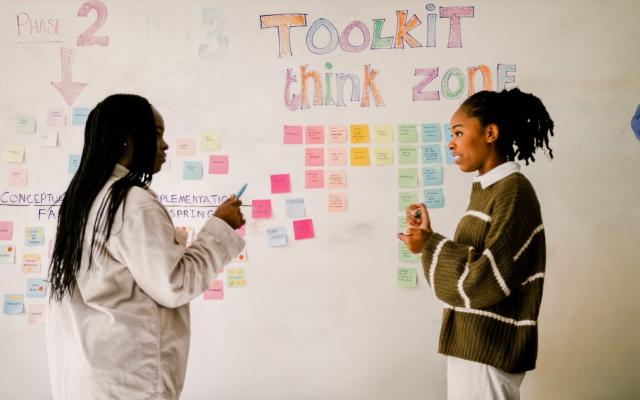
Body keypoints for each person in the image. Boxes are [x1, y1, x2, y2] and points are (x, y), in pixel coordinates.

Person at [46, 94, 246, 400]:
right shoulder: (132, 203)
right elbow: (174, 284)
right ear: (126, 138)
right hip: (129, 380)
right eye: (156, 134)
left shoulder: (80, 203)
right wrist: (220, 227)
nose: (164, 145)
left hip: (89, 376)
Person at [398, 88, 554, 400]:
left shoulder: (513, 191)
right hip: (472, 347)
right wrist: (426, 240)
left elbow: (486, 277)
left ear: (490, 133)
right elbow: (474, 265)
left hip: (488, 352)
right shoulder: (486, 191)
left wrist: (430, 244)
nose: (450, 142)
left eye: (458, 132)